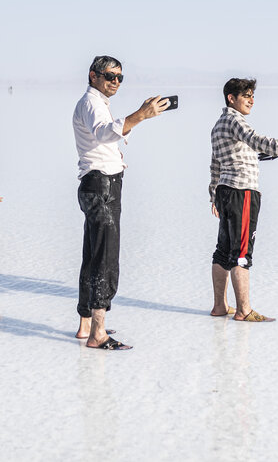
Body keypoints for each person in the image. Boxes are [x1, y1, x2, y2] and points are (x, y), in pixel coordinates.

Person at [72, 55, 170, 350]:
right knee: (105, 259)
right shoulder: (91, 103)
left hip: (97, 183)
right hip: (102, 186)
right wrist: (140, 115)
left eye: (119, 78)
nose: (115, 81)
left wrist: (136, 120)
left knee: (93, 255)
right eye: (109, 76)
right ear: (93, 76)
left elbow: (104, 137)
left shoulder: (97, 104)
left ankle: (86, 325)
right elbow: (104, 132)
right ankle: (98, 334)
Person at [208, 78, 278, 321]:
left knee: (223, 252)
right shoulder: (235, 121)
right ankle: (244, 311)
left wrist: (214, 195)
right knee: (241, 253)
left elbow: (216, 164)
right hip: (242, 192)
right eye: (246, 96)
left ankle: (219, 306)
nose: (251, 100)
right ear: (231, 98)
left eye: (253, 96)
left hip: (225, 192)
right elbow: (258, 141)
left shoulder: (219, 125)